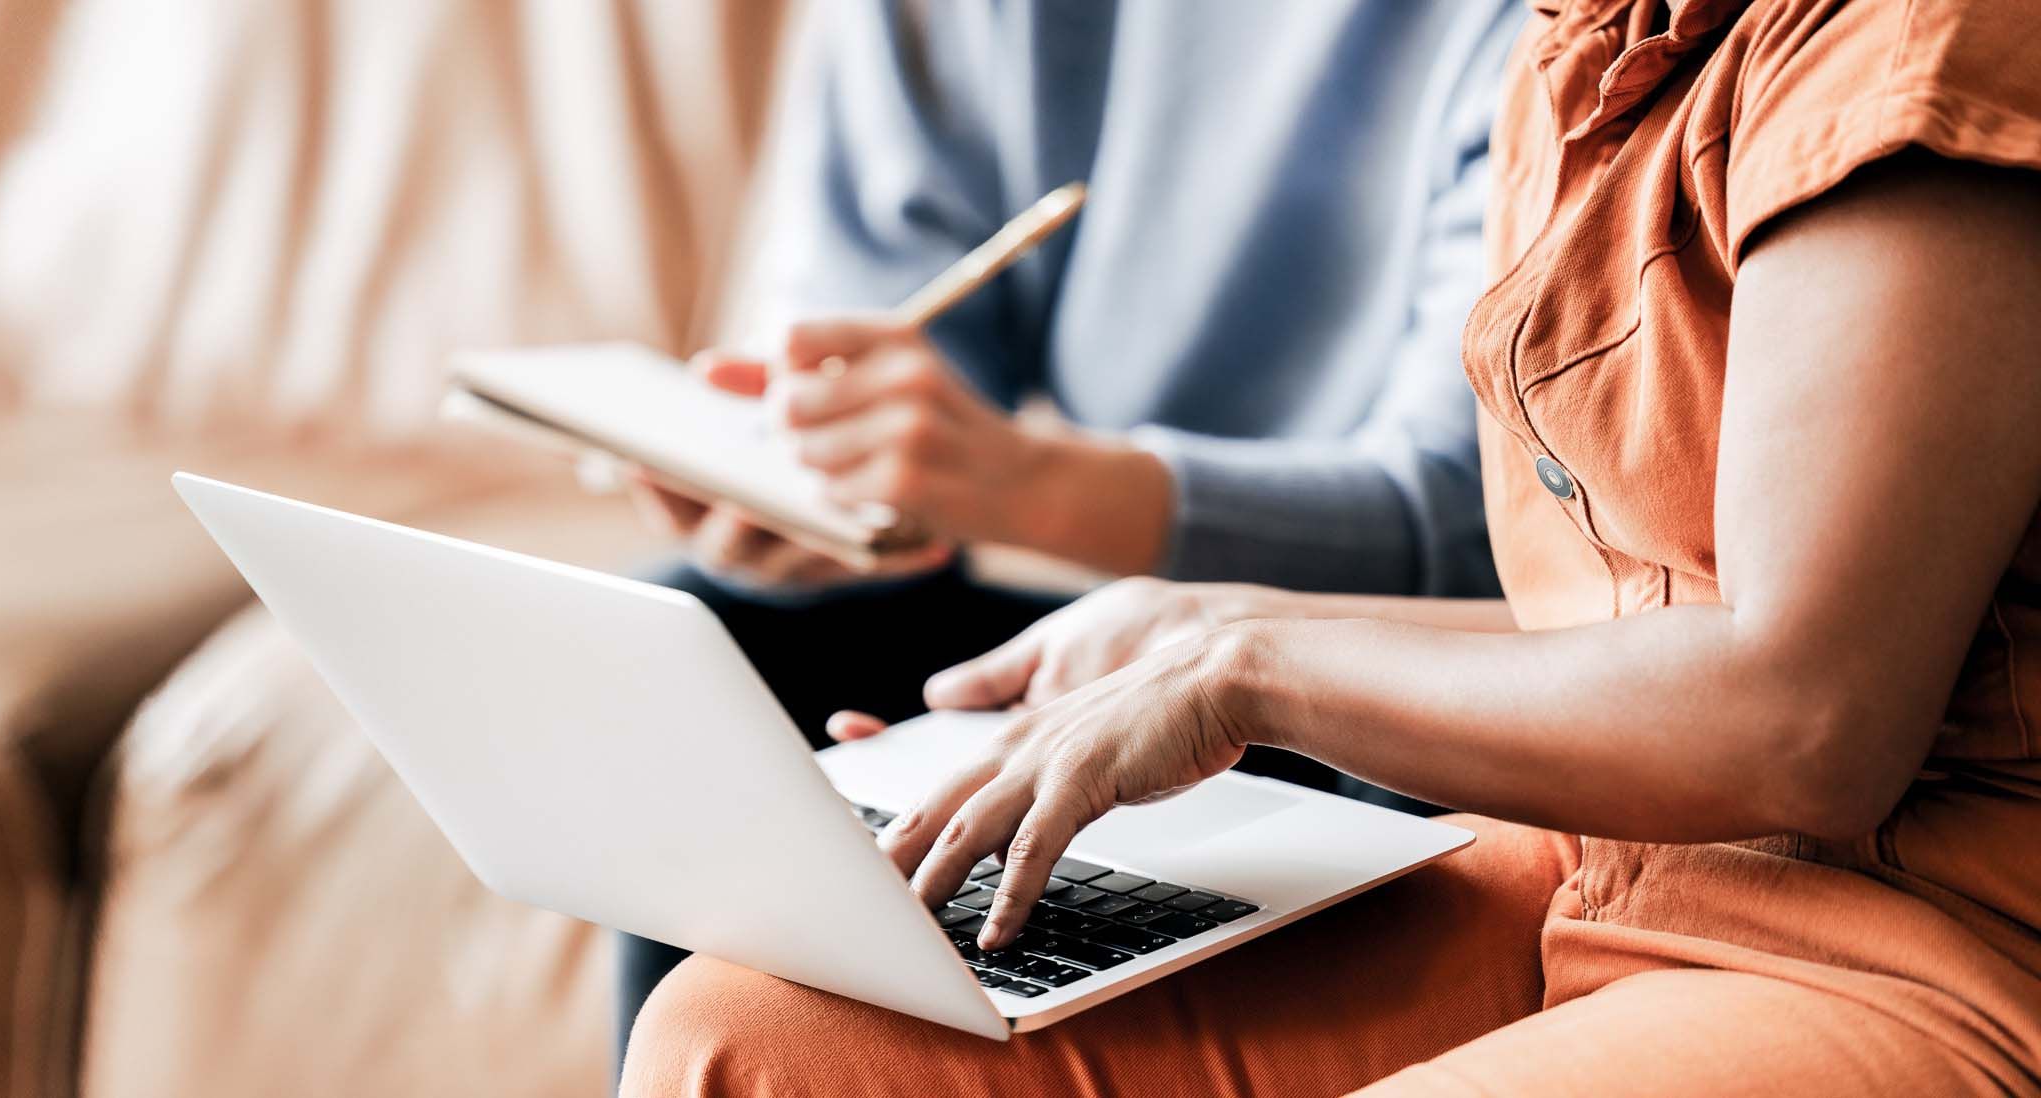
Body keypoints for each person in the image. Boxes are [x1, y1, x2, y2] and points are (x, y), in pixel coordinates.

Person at [617, 0, 2041, 1094]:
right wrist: (1194, 627)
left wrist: (1256, 667)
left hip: (1907, 935)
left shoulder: (1916, 50)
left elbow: (1808, 718)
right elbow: (1623, 612)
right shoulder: (1589, 46)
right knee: (744, 1036)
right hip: (1589, 858)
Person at [611, 0, 1527, 1059]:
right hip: (1126, 616)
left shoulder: (1539, 30)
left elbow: (1475, 521)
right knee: (716, 646)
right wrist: (821, 486)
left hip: (1396, 665)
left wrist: (1023, 487)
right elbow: (882, 341)